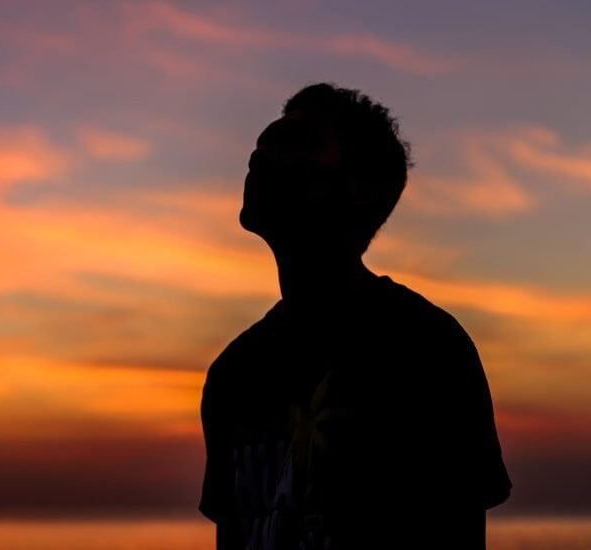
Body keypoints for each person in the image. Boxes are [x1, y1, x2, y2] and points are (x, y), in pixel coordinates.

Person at [198, 83, 512, 549]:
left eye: (296, 144)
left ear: (356, 191)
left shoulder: (427, 349)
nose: (260, 155)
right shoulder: (235, 373)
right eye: (263, 143)